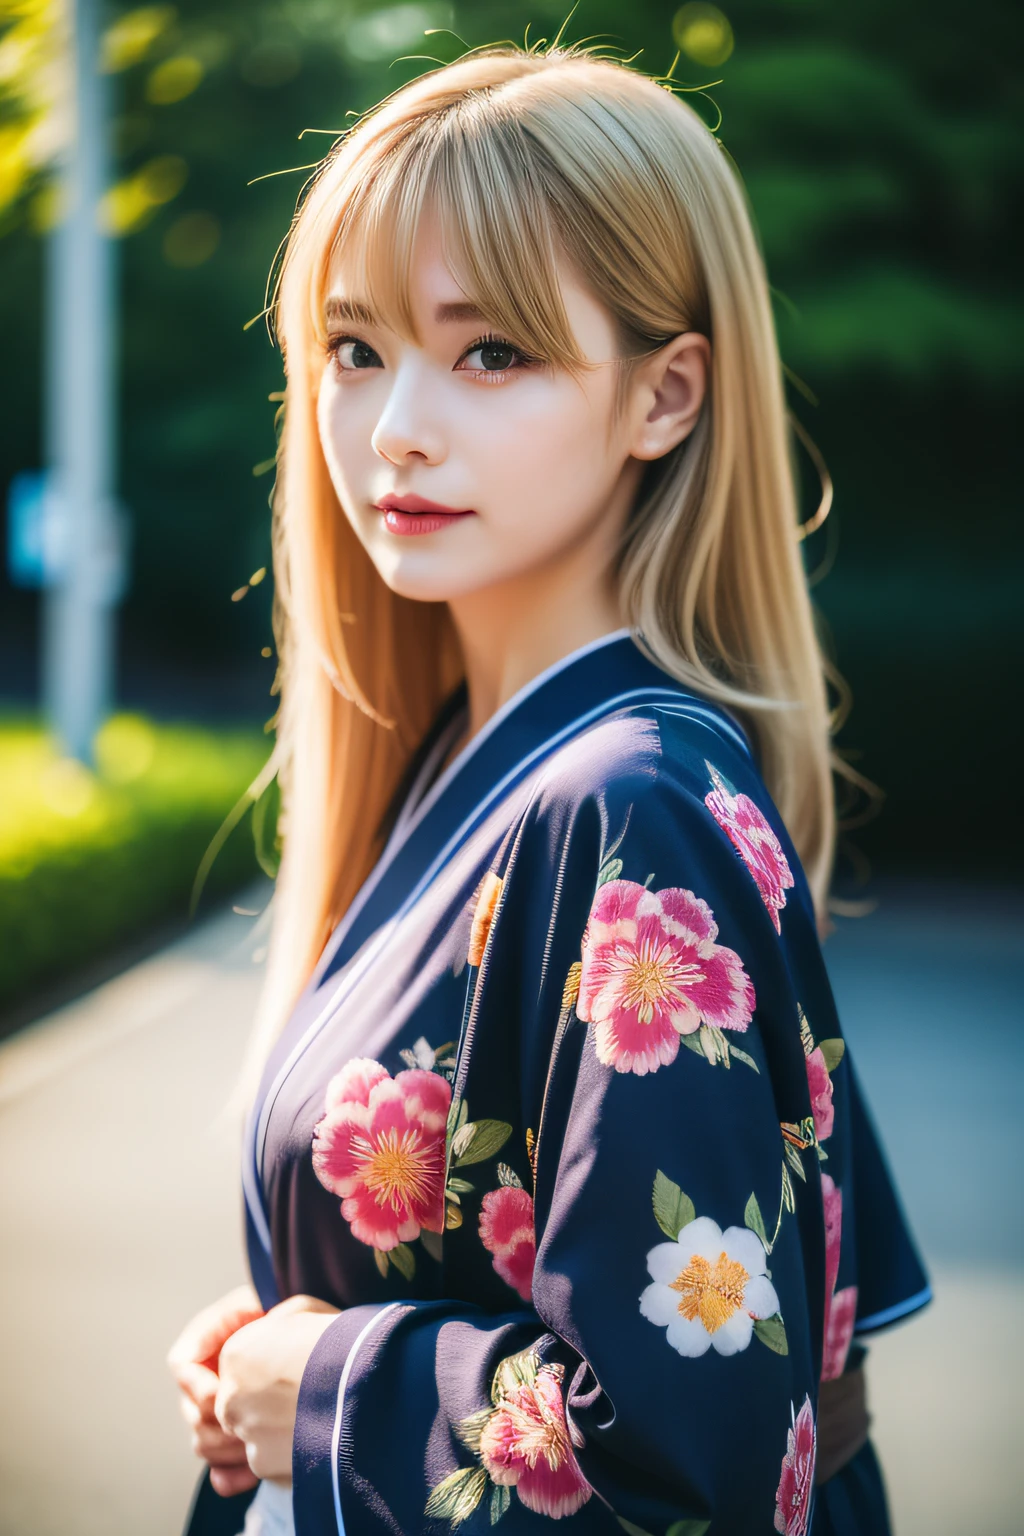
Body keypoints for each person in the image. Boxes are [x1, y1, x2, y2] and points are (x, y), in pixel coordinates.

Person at [167, 43, 930, 1536]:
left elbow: (687, 1460)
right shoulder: (469, 750)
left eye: (491, 352)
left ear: (665, 397)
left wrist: (324, 1379)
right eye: (352, 347)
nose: (394, 428)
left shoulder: (629, 801)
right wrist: (279, 1354)